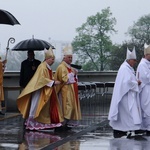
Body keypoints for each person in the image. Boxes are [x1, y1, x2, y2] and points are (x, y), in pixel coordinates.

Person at [17, 47, 64, 130]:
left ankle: (44, 122)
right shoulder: (42, 67)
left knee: (43, 107)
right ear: (47, 58)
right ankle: (34, 122)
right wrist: (52, 82)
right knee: (37, 106)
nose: (53, 61)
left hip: (45, 89)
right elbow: (41, 79)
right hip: (39, 90)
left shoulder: (45, 66)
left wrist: (53, 80)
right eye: (52, 59)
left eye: (53, 59)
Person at [108, 47, 142, 138]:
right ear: (130, 60)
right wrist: (136, 83)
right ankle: (120, 129)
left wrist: (135, 82)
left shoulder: (128, 68)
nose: (135, 62)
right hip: (124, 95)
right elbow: (126, 82)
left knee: (126, 114)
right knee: (125, 113)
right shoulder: (124, 68)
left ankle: (125, 129)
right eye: (134, 60)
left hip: (127, 94)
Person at [54, 44, 81, 130]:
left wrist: (75, 75)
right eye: (69, 57)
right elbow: (64, 79)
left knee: (70, 107)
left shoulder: (68, 67)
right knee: (66, 107)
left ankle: (66, 123)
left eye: (71, 57)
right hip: (64, 91)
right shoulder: (62, 67)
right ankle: (62, 124)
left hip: (70, 90)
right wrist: (73, 74)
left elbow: (73, 79)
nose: (70, 59)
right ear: (64, 58)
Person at [136, 43, 150, 136]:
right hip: (146, 89)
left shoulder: (146, 64)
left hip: (148, 88)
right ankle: (147, 127)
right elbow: (146, 77)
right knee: (147, 108)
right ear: (146, 55)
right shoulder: (143, 64)